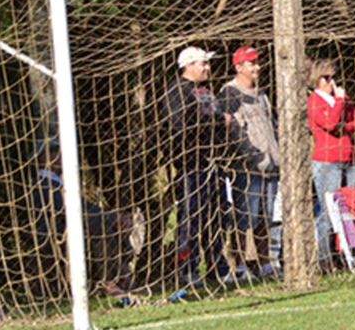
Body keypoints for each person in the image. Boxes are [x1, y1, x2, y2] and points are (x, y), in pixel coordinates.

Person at [163, 45, 235, 287]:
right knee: (191, 219)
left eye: (207, 63)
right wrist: (217, 121)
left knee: (216, 218)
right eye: (202, 63)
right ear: (188, 66)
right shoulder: (177, 92)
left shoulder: (205, 91)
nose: (207, 68)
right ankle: (187, 268)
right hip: (190, 166)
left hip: (213, 164)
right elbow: (181, 124)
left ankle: (217, 266)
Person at [30, 137, 139, 293]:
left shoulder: (59, 182)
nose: (62, 156)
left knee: (107, 222)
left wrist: (114, 217)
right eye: (57, 153)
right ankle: (108, 282)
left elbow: (87, 208)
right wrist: (111, 218)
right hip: (54, 235)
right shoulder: (43, 185)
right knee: (98, 226)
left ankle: (123, 275)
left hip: (69, 229)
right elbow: (71, 212)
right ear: (45, 158)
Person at [219, 46, 280, 281]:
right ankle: (241, 265)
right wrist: (255, 157)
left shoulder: (262, 94)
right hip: (246, 168)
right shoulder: (229, 93)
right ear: (239, 67)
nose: (257, 67)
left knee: (265, 217)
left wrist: (276, 158)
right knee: (245, 218)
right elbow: (234, 132)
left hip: (270, 166)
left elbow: (271, 126)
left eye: (258, 62)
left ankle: (265, 264)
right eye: (252, 63)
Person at [308, 59, 355, 268]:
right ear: (317, 79)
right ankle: (324, 258)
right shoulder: (314, 101)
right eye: (327, 78)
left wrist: (343, 126)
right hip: (327, 162)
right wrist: (340, 106)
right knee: (327, 210)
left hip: (348, 160)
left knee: (348, 208)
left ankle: (347, 252)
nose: (332, 82)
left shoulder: (342, 99)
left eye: (334, 78)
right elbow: (330, 123)